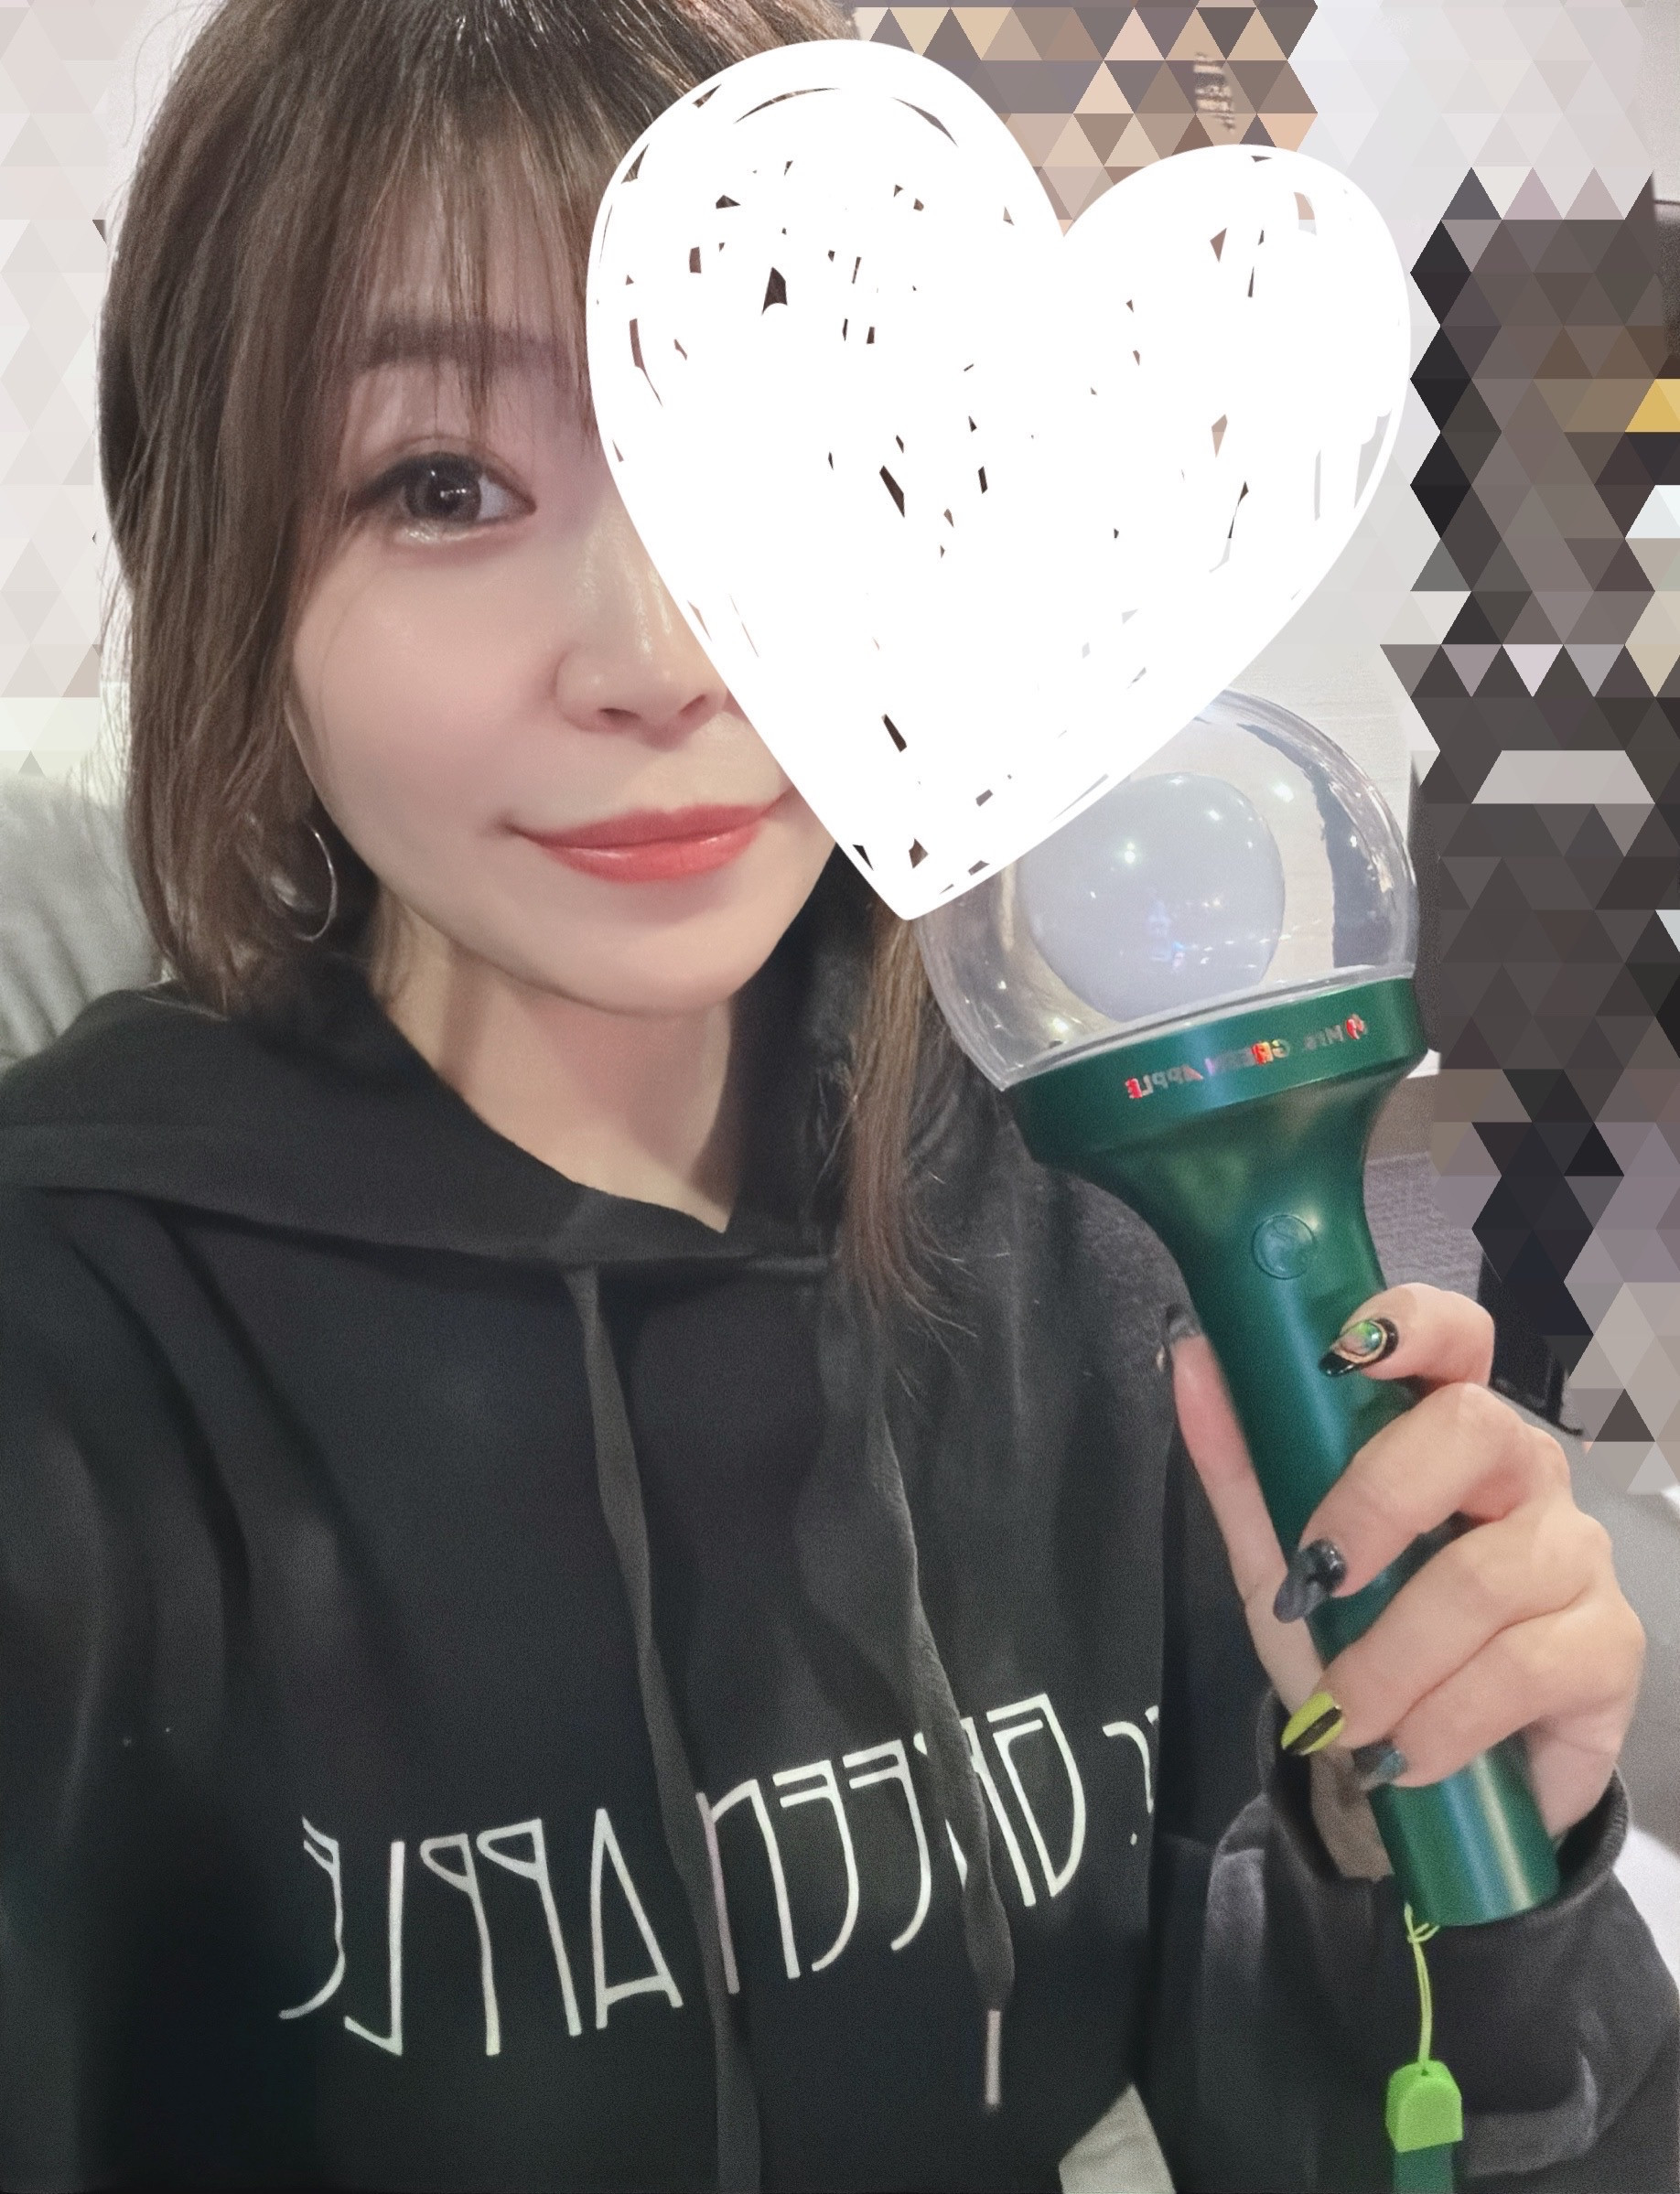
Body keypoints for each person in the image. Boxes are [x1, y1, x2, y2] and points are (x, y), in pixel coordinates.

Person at [0, 2, 1672, 2188]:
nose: (665, 654)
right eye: (441, 484)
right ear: (222, 557)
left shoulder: (1093, 1223)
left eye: (771, 471)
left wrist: (1434, 1853)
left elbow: (1351, 2122)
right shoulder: (72, 1355)